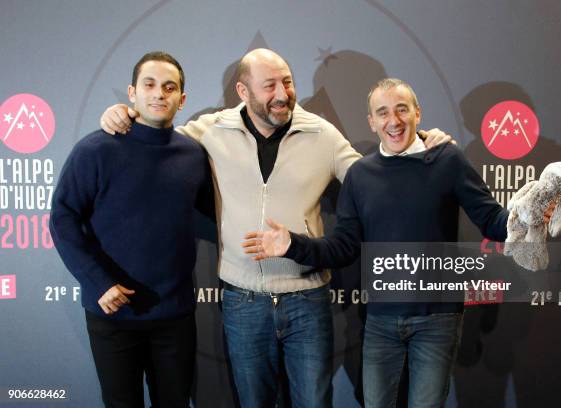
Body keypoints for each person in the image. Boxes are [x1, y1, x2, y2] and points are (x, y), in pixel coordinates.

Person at [99, 50, 451, 408]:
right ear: (242, 90)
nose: (282, 94)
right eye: (269, 86)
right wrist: (126, 115)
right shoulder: (210, 129)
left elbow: (375, 181)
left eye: (287, 82)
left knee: (314, 403)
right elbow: (158, 144)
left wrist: (417, 143)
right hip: (243, 302)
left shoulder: (322, 133)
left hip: (308, 300)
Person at [243, 78, 556, 408]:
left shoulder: (447, 160)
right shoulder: (361, 175)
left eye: (402, 109)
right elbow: (343, 247)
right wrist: (292, 245)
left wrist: (528, 217)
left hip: (438, 321)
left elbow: (492, 221)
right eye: (383, 113)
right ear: (372, 122)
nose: (394, 121)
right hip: (380, 322)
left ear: (417, 113)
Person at [51, 51, 212, 407]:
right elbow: (62, 217)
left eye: (169, 88)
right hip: (112, 313)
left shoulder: (194, 155)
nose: (159, 94)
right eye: (149, 85)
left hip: (175, 317)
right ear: (132, 92)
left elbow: (216, 216)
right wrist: (98, 282)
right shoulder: (95, 149)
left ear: (182, 99)